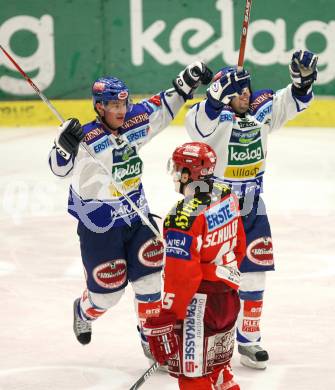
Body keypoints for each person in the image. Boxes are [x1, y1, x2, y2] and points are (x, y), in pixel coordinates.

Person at [48, 62, 213, 361]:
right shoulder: (84, 139)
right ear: (99, 107)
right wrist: (63, 146)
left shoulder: (134, 121)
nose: (120, 109)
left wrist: (187, 81)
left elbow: (163, 106)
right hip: (99, 224)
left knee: (150, 281)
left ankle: (150, 339)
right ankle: (83, 309)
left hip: (137, 215)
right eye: (112, 104)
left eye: (123, 102)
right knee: (107, 295)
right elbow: (59, 170)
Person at [184, 50, 318, 369]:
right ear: (225, 95)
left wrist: (303, 80)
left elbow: (293, 100)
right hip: (217, 211)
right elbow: (197, 126)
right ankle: (202, 331)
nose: (246, 95)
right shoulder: (211, 118)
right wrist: (216, 100)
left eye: (247, 89)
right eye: (239, 92)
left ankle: (249, 337)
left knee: (256, 271)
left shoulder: (260, 109)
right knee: (214, 277)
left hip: (254, 207)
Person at [143, 142, 246, 390]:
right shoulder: (226, 193)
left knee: (193, 377)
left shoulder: (182, 216)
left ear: (189, 173)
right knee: (220, 369)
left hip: (199, 305)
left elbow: (182, 276)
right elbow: (239, 245)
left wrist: (167, 315)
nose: (176, 174)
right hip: (229, 298)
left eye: (178, 168)